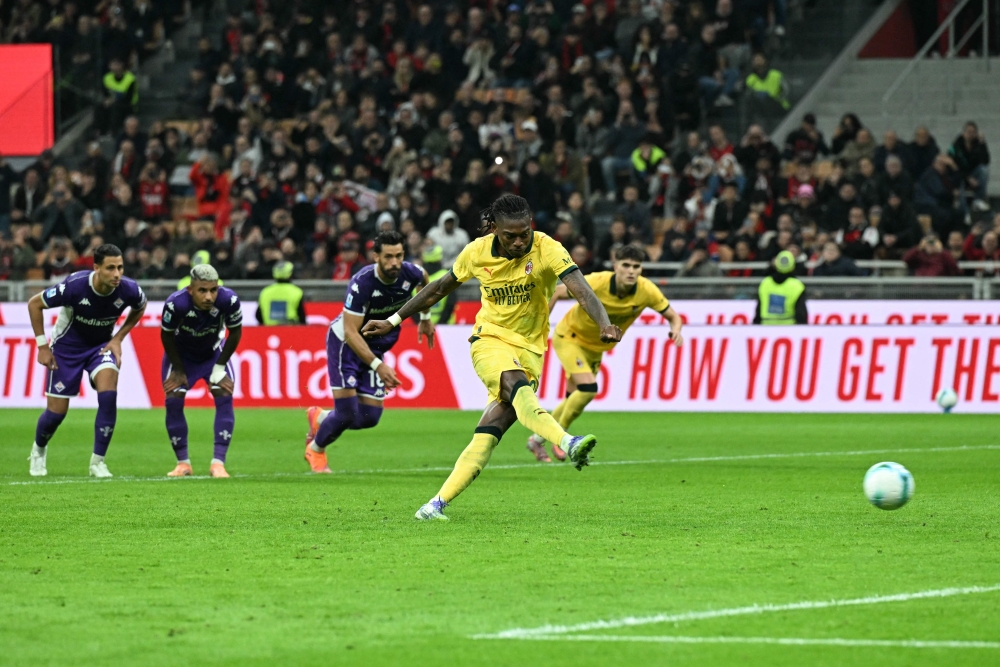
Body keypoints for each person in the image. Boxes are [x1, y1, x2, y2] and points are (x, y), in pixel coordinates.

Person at [361, 194, 621, 520]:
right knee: (516, 386)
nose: (518, 241)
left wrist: (604, 322)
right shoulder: (476, 251)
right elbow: (439, 288)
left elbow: (580, 287)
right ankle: (567, 442)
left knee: (492, 428)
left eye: (523, 233)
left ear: (531, 227)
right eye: (510, 235)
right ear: (495, 229)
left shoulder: (547, 247)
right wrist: (393, 320)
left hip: (530, 349)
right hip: (490, 339)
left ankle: (435, 505)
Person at [526, 245, 683, 462]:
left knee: (574, 397)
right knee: (588, 389)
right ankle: (562, 439)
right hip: (570, 337)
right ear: (615, 266)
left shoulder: (646, 290)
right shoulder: (596, 282)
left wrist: (676, 329)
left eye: (636, 266)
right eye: (626, 265)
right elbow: (559, 292)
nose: (631, 271)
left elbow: (674, 316)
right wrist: (541, 328)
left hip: (596, 348)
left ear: (641, 269)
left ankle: (536, 440)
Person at [303, 231, 435, 473]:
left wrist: (425, 317)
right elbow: (351, 332)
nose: (394, 262)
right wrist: (379, 366)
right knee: (346, 413)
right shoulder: (362, 283)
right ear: (376, 257)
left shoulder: (410, 272)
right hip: (346, 344)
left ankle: (320, 418)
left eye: (399, 256)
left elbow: (426, 280)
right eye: (388, 257)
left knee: (370, 417)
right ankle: (316, 449)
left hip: (374, 346)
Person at [26, 244, 147, 477]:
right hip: (66, 349)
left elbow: (141, 307)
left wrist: (118, 338)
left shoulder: (129, 289)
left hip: (100, 347)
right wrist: (42, 346)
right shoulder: (74, 286)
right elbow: (34, 304)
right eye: (110, 268)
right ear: (96, 268)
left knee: (109, 395)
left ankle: (97, 462)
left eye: (120, 268)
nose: (117, 274)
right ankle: (39, 450)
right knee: (56, 414)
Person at [160, 265, 243, 478]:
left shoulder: (229, 300)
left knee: (224, 393)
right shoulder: (175, 304)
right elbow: (167, 336)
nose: (209, 296)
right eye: (202, 290)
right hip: (181, 356)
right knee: (173, 399)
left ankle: (218, 464)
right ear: (191, 289)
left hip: (213, 354)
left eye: (213, 290)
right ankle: (183, 464)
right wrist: (178, 370)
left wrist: (220, 366)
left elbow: (235, 334)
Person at [753, 250, 807, 324]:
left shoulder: (765, 283)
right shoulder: (797, 285)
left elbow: (758, 311)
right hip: (788, 330)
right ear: (793, 264)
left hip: (765, 329)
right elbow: (801, 314)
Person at [255, 261, 306, 325]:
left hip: (269, 331)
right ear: (290, 274)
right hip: (291, 331)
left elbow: (258, 315)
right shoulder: (297, 292)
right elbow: (302, 317)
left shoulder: (265, 292)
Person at [421, 245, 457, 325]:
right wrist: (440, 324)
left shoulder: (417, 277)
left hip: (423, 327)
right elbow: (450, 304)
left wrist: (421, 323)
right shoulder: (447, 276)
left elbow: (409, 304)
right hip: (446, 328)